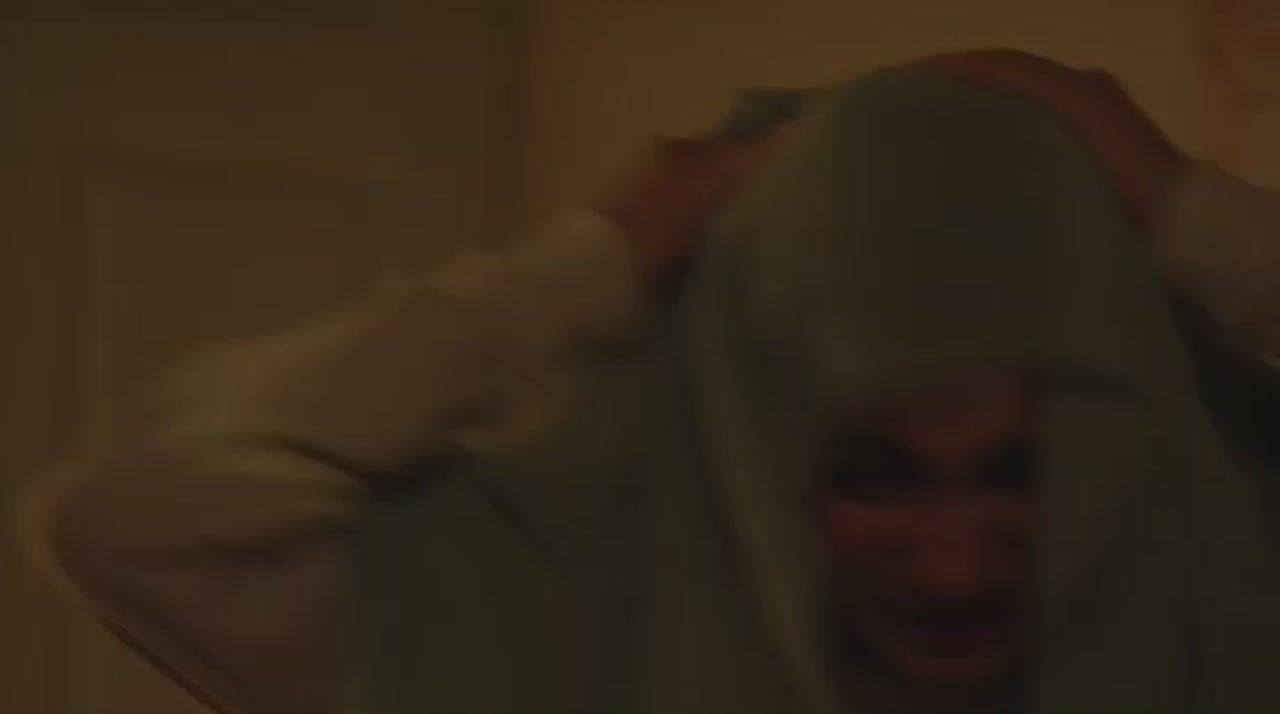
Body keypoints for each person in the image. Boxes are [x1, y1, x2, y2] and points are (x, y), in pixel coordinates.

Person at [16, 50, 1280, 714]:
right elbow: (132, 518)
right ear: (759, 437)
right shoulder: (528, 640)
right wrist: (594, 261)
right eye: (873, 476)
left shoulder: (1211, 611)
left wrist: (1192, 221)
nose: (954, 571)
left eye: (1019, 471)